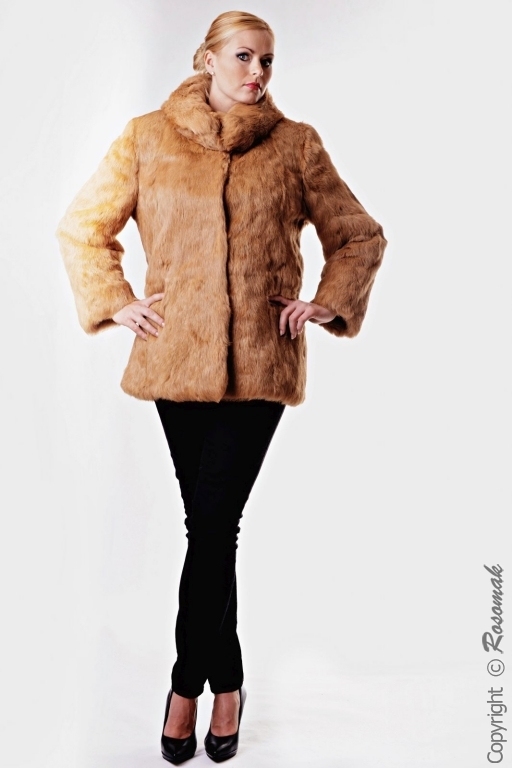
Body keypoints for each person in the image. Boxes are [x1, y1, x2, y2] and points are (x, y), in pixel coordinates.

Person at [55, 9, 387, 764]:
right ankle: (229, 683)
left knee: (211, 526)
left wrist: (326, 302)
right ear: (206, 59)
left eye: (267, 60)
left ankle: (184, 688)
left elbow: (360, 235)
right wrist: (116, 300)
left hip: (263, 363)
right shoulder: (146, 138)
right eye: (243, 57)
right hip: (175, 361)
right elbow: (82, 228)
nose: (258, 73)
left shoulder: (296, 145)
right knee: (212, 529)